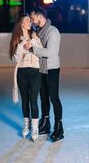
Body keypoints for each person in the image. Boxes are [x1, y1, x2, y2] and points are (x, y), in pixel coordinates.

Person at [24, 8, 64, 142]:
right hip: (41, 69)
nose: (32, 20)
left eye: (33, 17)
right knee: (43, 97)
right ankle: (45, 123)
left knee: (53, 97)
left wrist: (32, 48)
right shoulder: (38, 31)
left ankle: (59, 126)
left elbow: (49, 53)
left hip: (52, 69)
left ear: (40, 17)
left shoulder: (53, 31)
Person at [9, 14, 42, 141]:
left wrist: (33, 42)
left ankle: (35, 128)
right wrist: (21, 45)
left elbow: (41, 52)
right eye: (27, 20)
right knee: (25, 101)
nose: (30, 21)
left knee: (33, 101)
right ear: (21, 24)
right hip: (22, 72)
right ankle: (26, 126)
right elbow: (15, 59)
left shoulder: (35, 36)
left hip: (35, 71)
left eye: (30, 20)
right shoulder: (16, 39)